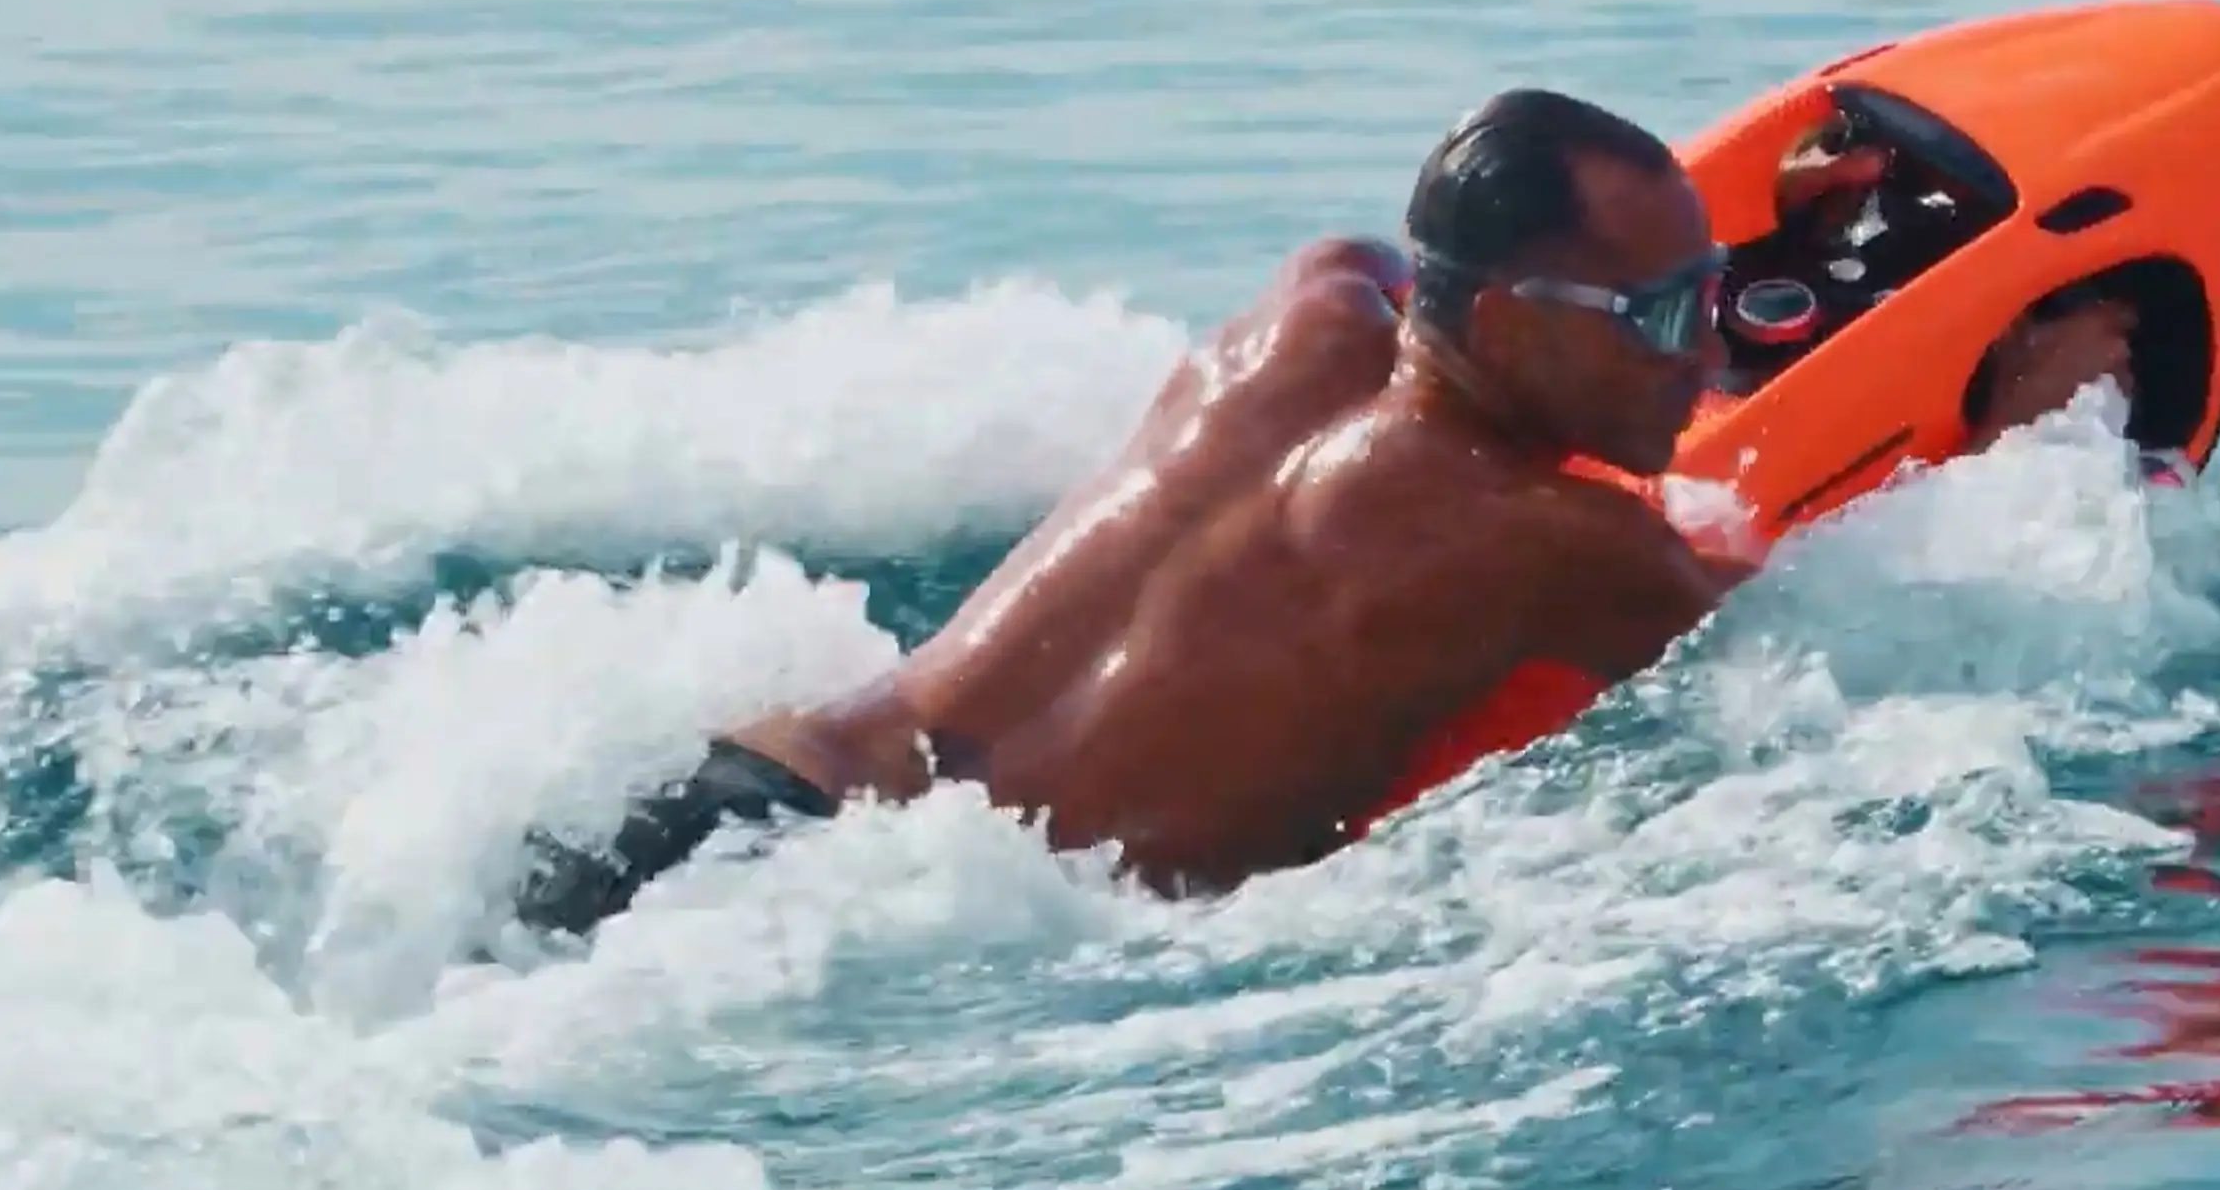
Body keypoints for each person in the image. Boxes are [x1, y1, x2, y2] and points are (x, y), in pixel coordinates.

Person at [509, 89, 2136, 935]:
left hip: (758, 788)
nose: (1702, 346)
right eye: (1657, 315)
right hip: (891, 934)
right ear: (1504, 319)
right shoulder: (1538, 541)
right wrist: (2023, 434)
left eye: (1709, 291)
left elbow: (1396, 257)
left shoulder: (1315, 311)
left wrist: (1721, 246)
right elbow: (1859, 637)